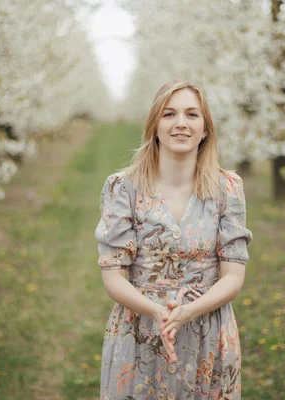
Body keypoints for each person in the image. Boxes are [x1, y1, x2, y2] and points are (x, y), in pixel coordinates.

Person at [95, 79, 253, 399]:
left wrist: (190, 311)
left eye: (192, 115)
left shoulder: (228, 188)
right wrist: (156, 312)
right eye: (169, 114)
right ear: (155, 126)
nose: (181, 123)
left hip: (208, 331)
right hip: (140, 331)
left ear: (205, 128)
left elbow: (233, 277)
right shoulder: (122, 188)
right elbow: (113, 276)